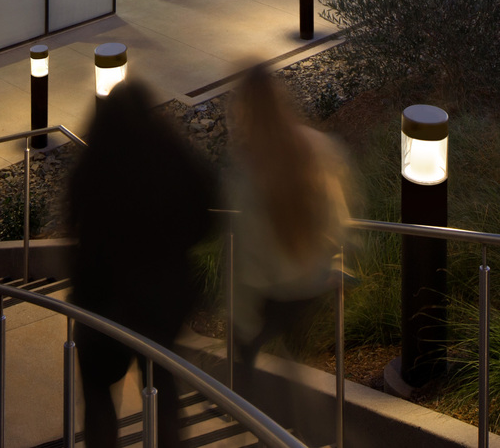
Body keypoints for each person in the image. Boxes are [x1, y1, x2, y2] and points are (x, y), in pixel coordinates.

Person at [68, 80, 217, 448]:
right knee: (162, 384)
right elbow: (207, 211)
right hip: (160, 301)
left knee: (98, 394)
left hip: (103, 304)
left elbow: (74, 228)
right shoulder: (171, 158)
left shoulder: (93, 167)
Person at [225, 64, 350, 372]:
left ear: (243, 111)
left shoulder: (250, 173)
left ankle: (245, 397)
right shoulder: (317, 146)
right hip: (313, 281)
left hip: (276, 291)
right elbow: (338, 215)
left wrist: (242, 319)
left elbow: (250, 257)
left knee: (245, 356)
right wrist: (336, 264)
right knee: (298, 358)